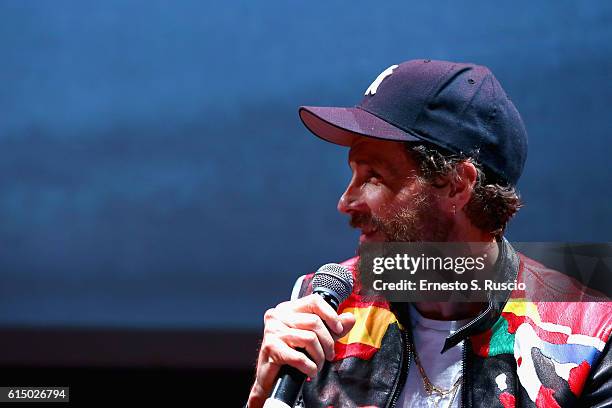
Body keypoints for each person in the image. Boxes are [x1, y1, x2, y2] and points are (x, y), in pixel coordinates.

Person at [246, 60, 611, 407]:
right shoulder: (322, 312)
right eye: (353, 174)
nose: (346, 202)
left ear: (456, 185)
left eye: (374, 175)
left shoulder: (587, 339)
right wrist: (262, 396)